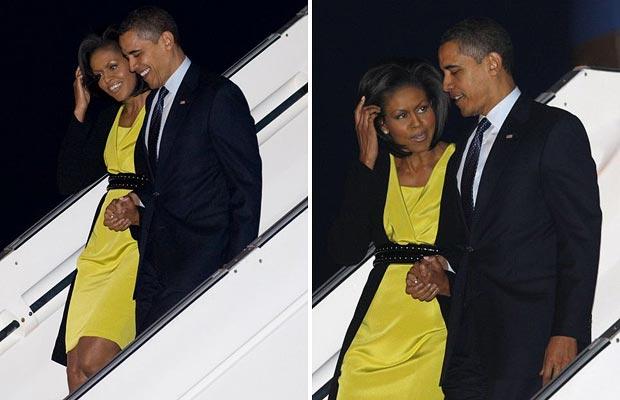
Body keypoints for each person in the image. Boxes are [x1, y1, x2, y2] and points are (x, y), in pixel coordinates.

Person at [408, 17, 601, 399]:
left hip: (532, 346)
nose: (446, 87)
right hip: (468, 348)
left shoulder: (553, 130)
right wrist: (438, 268)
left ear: (492, 63)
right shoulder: (463, 150)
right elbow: (459, 243)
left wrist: (568, 331)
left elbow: (579, 239)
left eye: (454, 71)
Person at [103, 6, 262, 335]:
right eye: (128, 57)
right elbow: (163, 183)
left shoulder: (217, 95)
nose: (133, 66)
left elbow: (245, 185)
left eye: (136, 54)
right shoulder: (155, 104)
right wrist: (136, 201)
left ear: (166, 41)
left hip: (200, 263)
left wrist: (236, 267)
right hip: (154, 268)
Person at [327, 60, 455, 399]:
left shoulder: (463, 162)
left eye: (422, 108)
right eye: (401, 116)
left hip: (437, 326)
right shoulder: (375, 172)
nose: (417, 124)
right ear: (381, 126)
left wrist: (447, 277)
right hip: (377, 331)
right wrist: (366, 159)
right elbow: (347, 250)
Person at [51, 30, 150, 393]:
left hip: (136, 242)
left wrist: (140, 205)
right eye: (98, 76)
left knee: (95, 359)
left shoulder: (161, 106)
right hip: (99, 250)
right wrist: (80, 109)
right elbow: (69, 178)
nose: (108, 79)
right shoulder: (110, 118)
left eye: (113, 66)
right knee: (76, 371)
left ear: (133, 61)